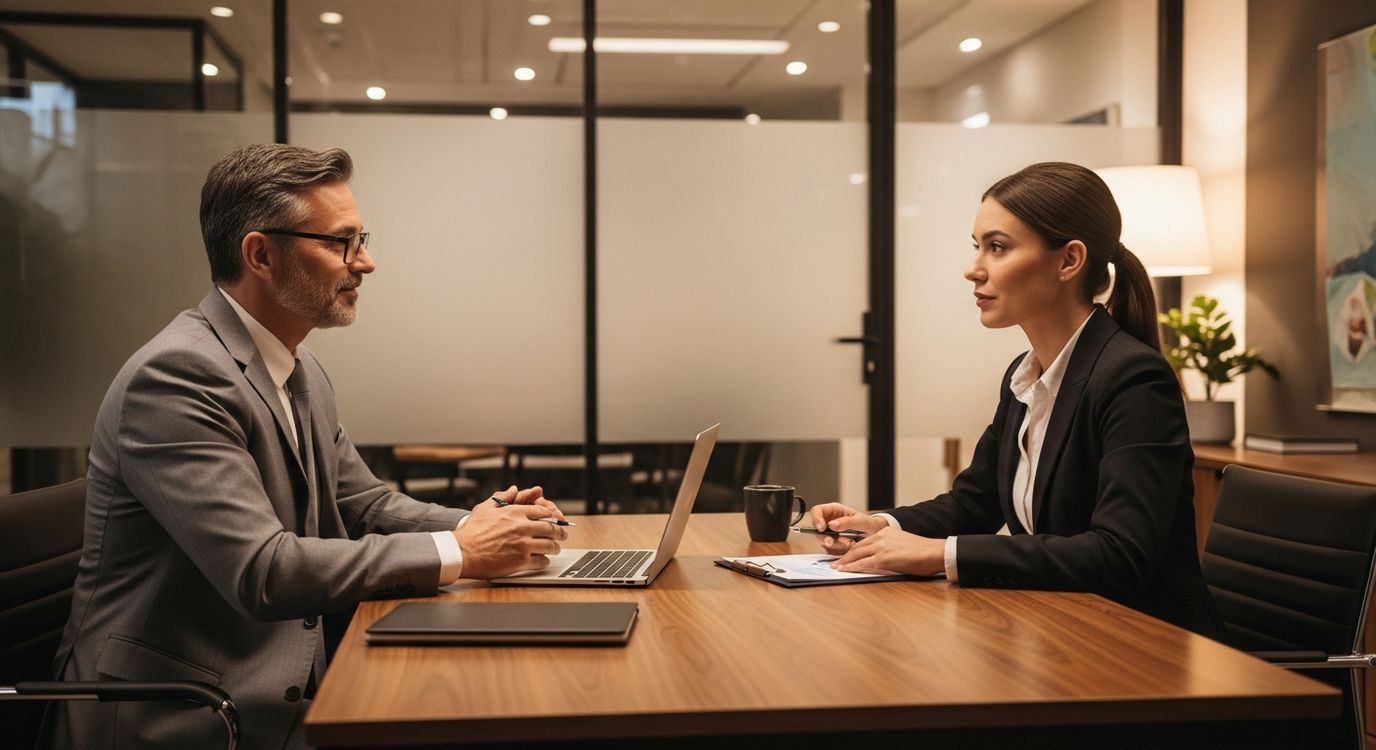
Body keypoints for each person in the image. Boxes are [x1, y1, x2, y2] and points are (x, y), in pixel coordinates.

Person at [47, 144, 569, 749]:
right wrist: (460, 549)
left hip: (279, 686)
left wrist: (487, 525)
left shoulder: (299, 369)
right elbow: (263, 571)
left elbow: (362, 504)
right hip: (182, 714)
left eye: (361, 238)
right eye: (340, 243)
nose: (365, 262)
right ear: (261, 254)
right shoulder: (175, 378)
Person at [809, 161, 1223, 638]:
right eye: (977, 247)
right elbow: (974, 503)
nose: (973, 269)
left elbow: (1119, 554)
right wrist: (878, 524)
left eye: (997, 248)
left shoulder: (1133, 379)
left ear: (1069, 261)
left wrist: (939, 553)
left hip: (1145, 644)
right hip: (1062, 630)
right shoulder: (1027, 373)